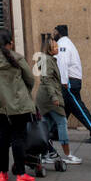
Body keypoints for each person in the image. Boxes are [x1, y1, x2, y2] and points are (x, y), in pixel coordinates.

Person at [0, 29, 37, 181]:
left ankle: (2, 173)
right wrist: (23, 92)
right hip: (18, 105)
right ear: (11, 42)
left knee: (2, 138)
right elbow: (30, 79)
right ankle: (20, 174)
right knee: (18, 138)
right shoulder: (18, 58)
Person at [54, 23, 91, 143]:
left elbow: (63, 63)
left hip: (69, 82)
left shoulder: (62, 44)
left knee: (79, 109)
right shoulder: (67, 43)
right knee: (66, 108)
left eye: (54, 32)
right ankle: (55, 132)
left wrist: (64, 82)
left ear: (59, 33)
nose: (53, 34)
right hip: (72, 81)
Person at [37, 33, 79, 164]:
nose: (57, 47)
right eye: (54, 46)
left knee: (46, 127)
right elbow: (47, 80)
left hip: (43, 98)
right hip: (50, 98)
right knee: (62, 123)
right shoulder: (47, 61)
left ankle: (44, 154)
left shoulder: (46, 60)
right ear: (49, 49)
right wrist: (54, 97)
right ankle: (68, 155)